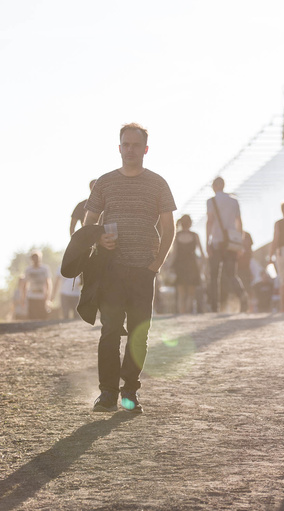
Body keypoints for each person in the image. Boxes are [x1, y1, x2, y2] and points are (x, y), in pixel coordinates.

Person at [84, 123, 176, 414]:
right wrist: (99, 238)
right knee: (110, 331)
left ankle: (130, 393)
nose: (131, 150)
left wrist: (156, 264)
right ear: (119, 147)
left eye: (137, 145)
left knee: (139, 334)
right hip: (111, 269)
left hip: (143, 271)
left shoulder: (158, 183)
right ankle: (108, 394)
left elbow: (168, 227)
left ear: (145, 149)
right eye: (126, 144)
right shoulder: (105, 182)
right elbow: (88, 225)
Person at [205, 177, 249, 313]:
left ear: (215, 186)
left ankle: (214, 307)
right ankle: (243, 297)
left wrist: (207, 241)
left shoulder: (211, 201)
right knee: (231, 274)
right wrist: (240, 243)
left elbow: (210, 221)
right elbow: (239, 223)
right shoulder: (234, 201)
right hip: (230, 244)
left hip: (217, 242)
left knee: (214, 276)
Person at [173, 214, 204, 315]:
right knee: (191, 293)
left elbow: (174, 254)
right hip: (192, 266)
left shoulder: (176, 236)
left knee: (181, 293)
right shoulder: (195, 235)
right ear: (190, 223)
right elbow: (202, 254)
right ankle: (188, 313)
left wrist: (166, 266)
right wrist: (203, 267)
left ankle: (181, 313)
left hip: (180, 266)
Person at [23, 250, 52, 320]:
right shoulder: (28, 270)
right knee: (32, 316)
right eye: (34, 258)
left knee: (42, 316)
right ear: (31, 259)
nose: (35, 260)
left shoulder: (44, 269)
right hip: (31, 296)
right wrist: (23, 297)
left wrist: (48, 296)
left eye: (37, 258)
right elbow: (25, 283)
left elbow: (48, 282)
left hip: (41, 296)